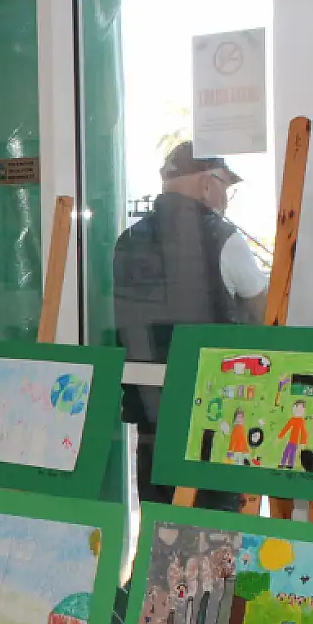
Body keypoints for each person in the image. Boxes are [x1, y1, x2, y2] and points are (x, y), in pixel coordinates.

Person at [113, 141, 270, 507]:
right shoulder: (222, 238)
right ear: (206, 183)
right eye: (225, 187)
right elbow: (266, 314)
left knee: (162, 529)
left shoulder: (128, 241)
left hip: (151, 412)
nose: (226, 199)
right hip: (215, 418)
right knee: (214, 537)